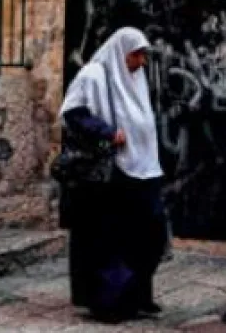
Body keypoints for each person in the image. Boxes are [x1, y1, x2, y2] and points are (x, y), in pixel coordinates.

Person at [59, 27, 167, 323]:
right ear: (121, 52)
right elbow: (73, 113)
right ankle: (110, 303)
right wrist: (106, 132)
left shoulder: (136, 78)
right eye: (136, 54)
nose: (142, 61)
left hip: (144, 168)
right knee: (111, 240)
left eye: (143, 55)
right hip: (111, 173)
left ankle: (138, 295)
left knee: (149, 235)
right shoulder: (94, 75)